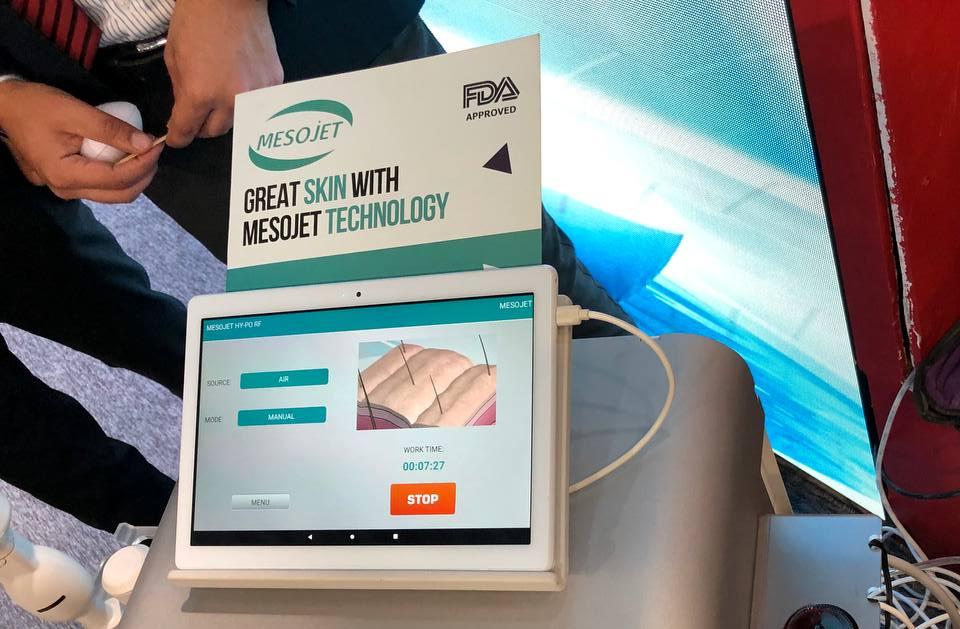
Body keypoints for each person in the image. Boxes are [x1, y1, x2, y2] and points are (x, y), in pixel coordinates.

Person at [0, 0, 626, 534]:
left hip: (293, 26)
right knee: (361, 341)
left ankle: (670, 499)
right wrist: (7, 98)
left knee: (529, 294)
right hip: (120, 95)